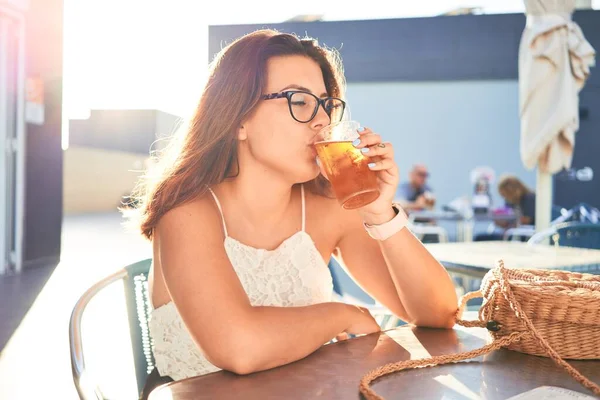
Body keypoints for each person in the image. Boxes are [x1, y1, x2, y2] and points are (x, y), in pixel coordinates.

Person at [130, 29, 458, 398]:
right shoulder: (186, 212)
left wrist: (381, 213)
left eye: (326, 103)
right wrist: (341, 314)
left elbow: (438, 315)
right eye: (299, 101)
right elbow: (240, 348)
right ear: (238, 119)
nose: (321, 120)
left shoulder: (328, 210)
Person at [474, 175, 536, 241]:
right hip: (510, 235)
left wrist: (509, 224)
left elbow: (525, 221)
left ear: (512, 190)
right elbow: (507, 223)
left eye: (505, 194)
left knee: (479, 238)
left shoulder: (529, 198)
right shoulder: (510, 202)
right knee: (478, 237)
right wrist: (498, 220)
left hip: (522, 236)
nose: (505, 197)